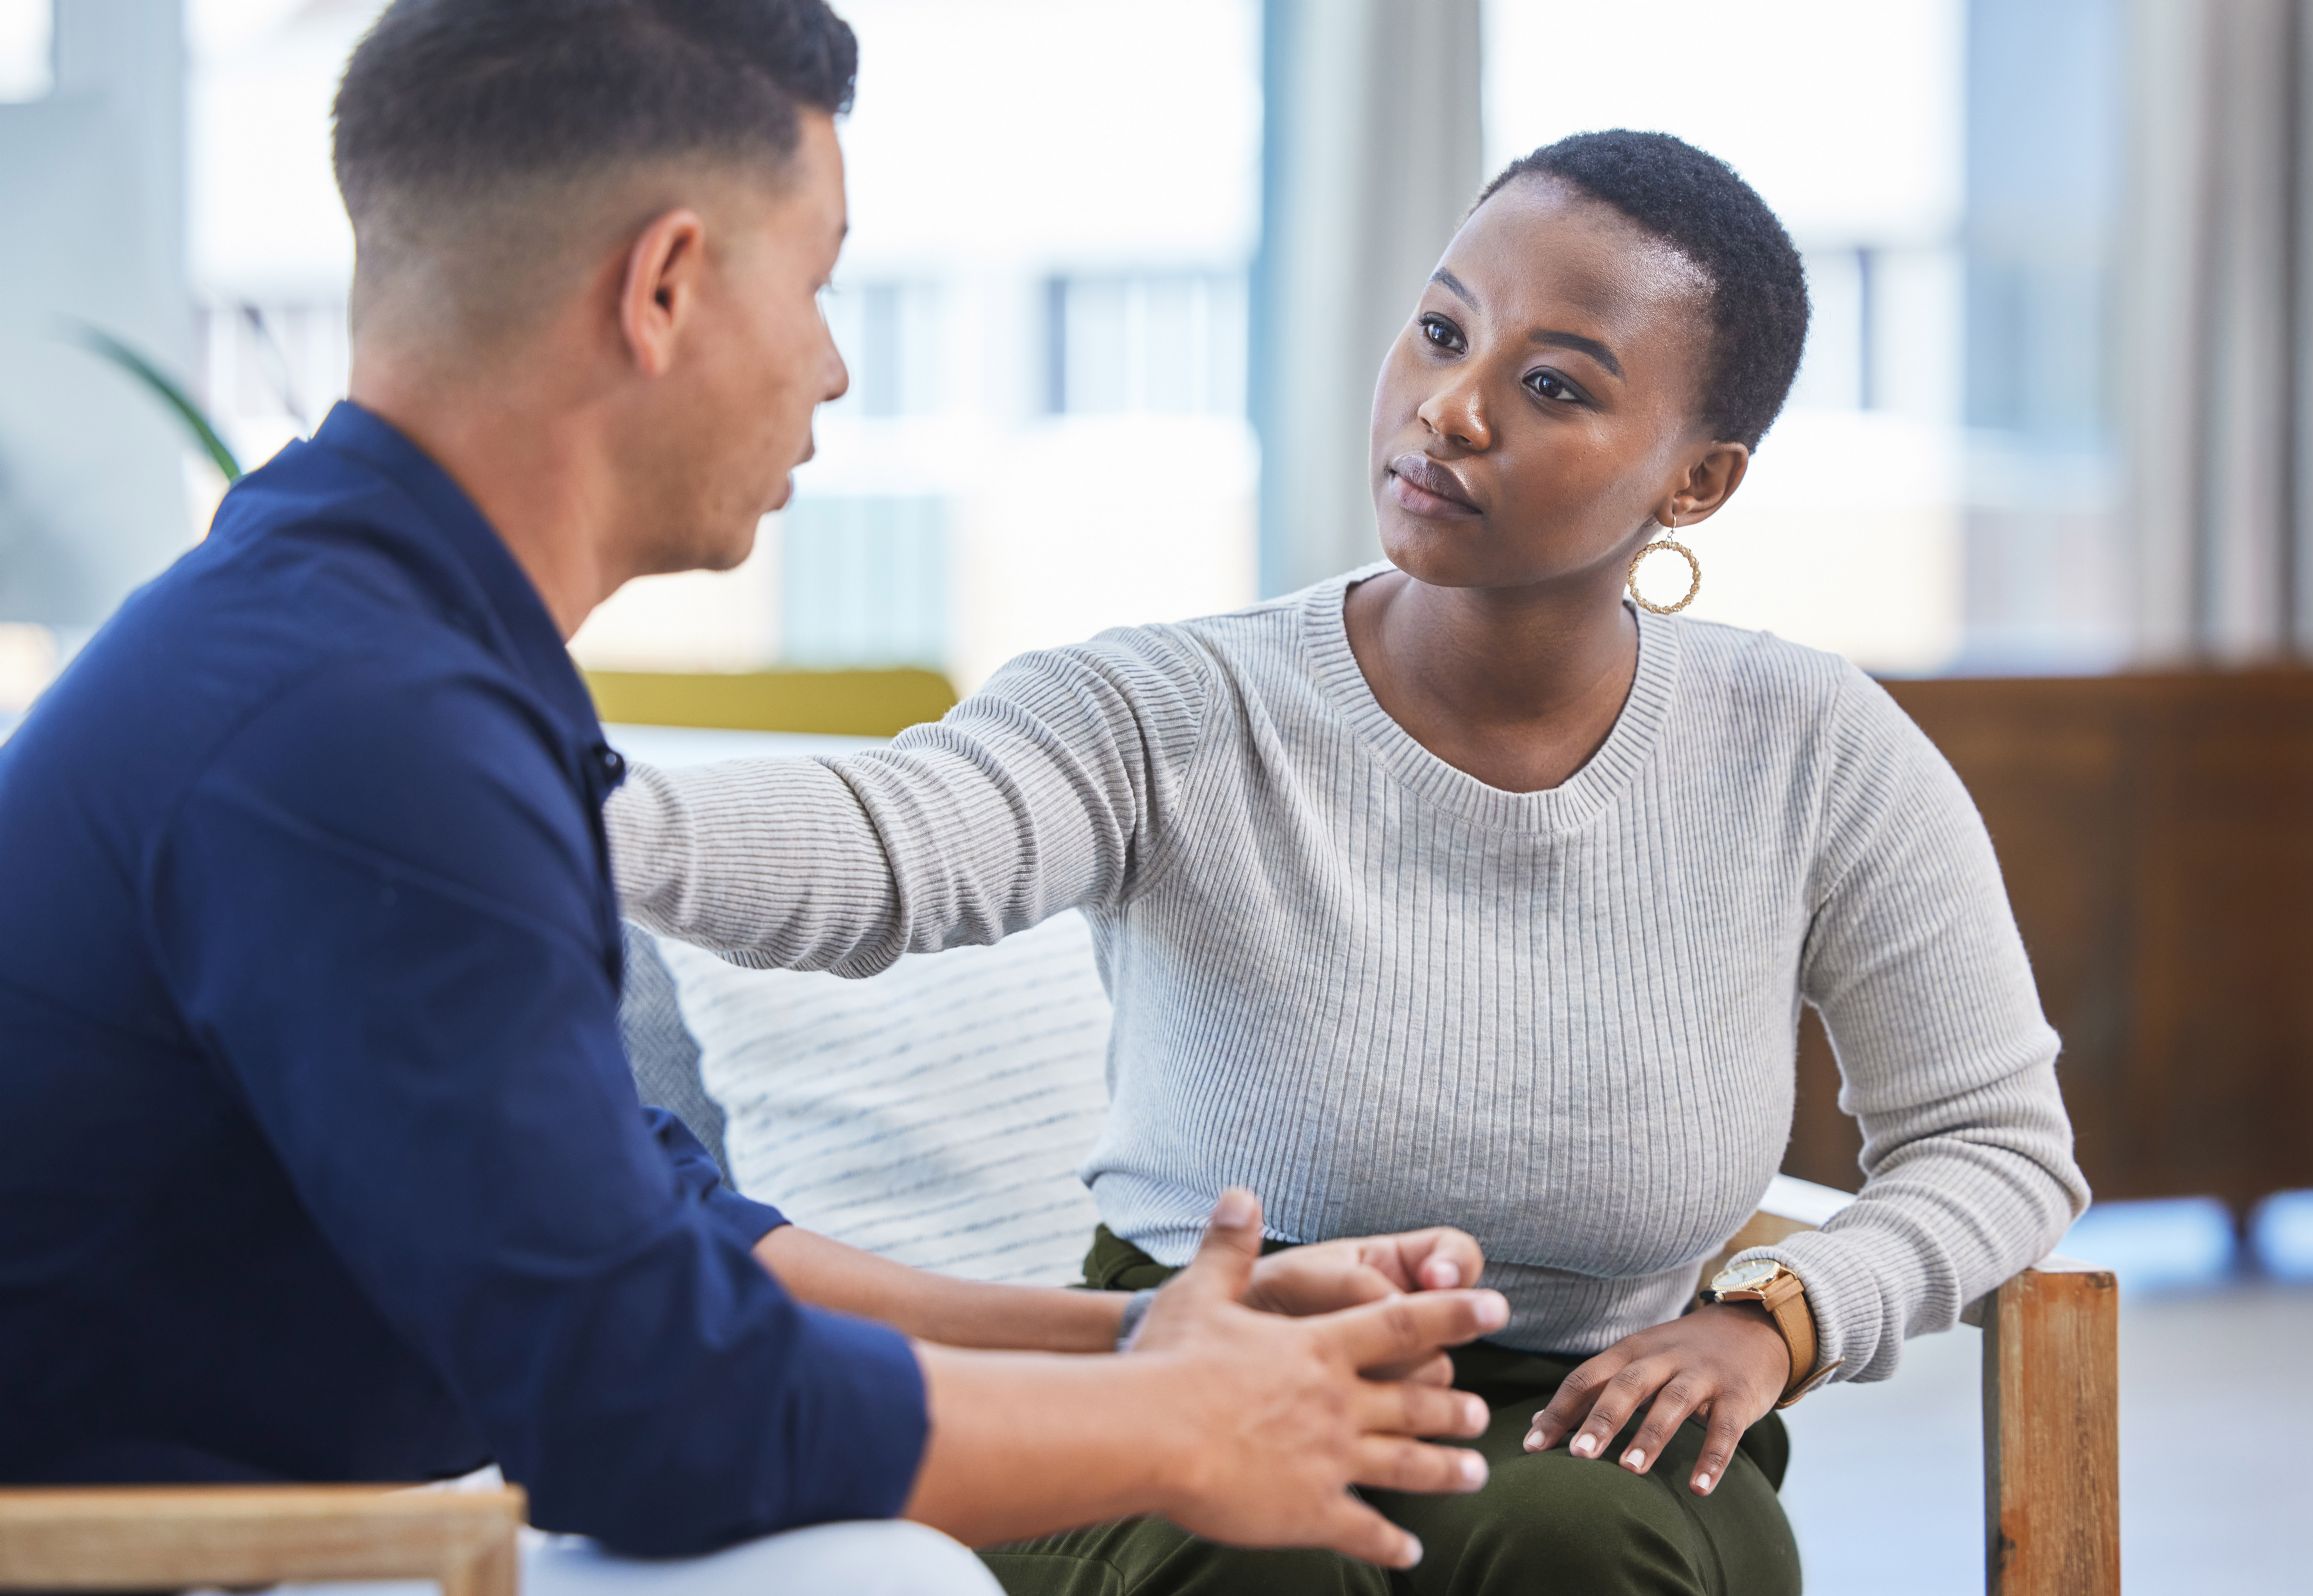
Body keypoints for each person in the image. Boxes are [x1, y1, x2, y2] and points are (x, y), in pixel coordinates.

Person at [0, 3, 1509, 1590]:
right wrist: (1184, 1426)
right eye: (815, 283)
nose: (834, 367)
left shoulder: (360, 637)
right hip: (112, 1562)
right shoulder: (360, 723)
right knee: (878, 1575)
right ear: (662, 287)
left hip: (248, 1533)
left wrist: (1138, 1339)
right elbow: (644, 1414)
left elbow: (659, 1237)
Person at [608, 128, 2091, 1595]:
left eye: (1553, 385)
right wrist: (554, 805)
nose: (1450, 408)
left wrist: (1780, 1318)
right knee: (1270, 1567)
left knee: (1593, 1548)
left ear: (1696, 481)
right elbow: (894, 842)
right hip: (1197, 1360)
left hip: (1584, 1408)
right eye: (1443, 331)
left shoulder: (1815, 747)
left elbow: (1997, 1142)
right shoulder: (1172, 704)